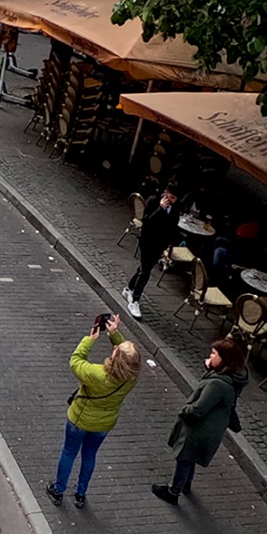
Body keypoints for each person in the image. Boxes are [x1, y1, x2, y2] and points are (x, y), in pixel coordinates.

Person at [45, 313, 140, 509]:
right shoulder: (131, 378)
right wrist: (115, 335)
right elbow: (126, 357)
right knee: (89, 455)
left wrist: (90, 339)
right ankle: (80, 493)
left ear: (116, 357)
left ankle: (59, 489)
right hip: (103, 424)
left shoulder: (97, 374)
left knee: (69, 452)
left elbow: (76, 360)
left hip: (79, 420)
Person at [152, 336, 248, 504]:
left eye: (214, 354)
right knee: (190, 458)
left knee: (184, 458)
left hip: (199, 429)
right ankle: (185, 485)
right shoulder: (232, 378)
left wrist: (184, 411)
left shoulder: (217, 385)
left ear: (224, 359)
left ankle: (173, 492)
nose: (210, 356)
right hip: (211, 429)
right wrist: (210, 367)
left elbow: (198, 409)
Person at [124, 185, 183, 319]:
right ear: (165, 193)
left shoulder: (176, 208)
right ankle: (135, 300)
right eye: (168, 196)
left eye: (173, 198)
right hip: (148, 241)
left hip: (160, 245)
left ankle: (129, 288)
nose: (170, 200)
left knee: (145, 267)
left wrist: (167, 245)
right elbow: (147, 221)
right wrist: (160, 209)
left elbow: (173, 227)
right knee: (145, 272)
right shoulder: (153, 201)